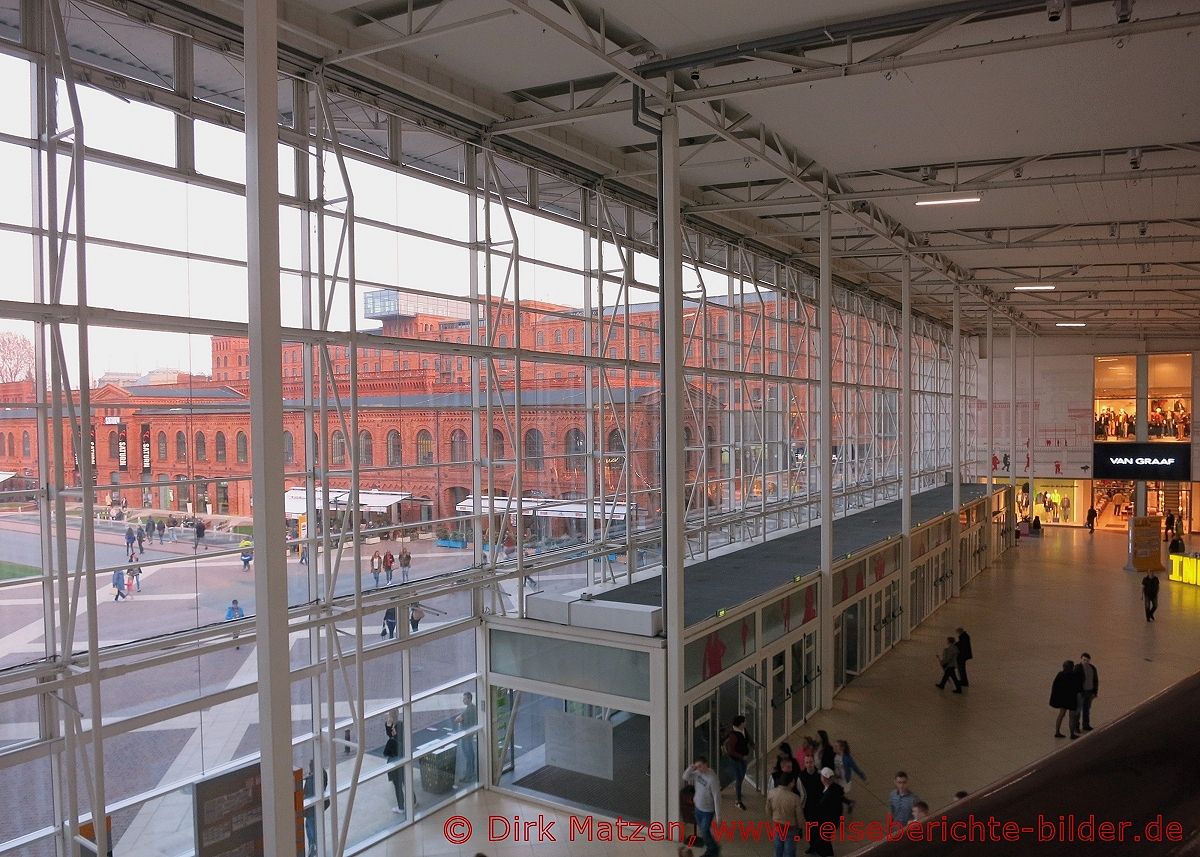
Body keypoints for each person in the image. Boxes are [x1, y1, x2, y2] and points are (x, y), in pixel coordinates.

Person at [682, 758, 722, 857]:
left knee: (704, 831)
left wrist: (718, 816)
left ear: (706, 764)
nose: (699, 768)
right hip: (698, 808)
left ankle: (713, 849)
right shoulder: (697, 773)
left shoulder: (712, 778)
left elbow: (717, 797)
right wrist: (691, 768)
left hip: (707, 811)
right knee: (703, 831)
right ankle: (712, 849)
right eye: (697, 766)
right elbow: (685, 777)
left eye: (700, 766)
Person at [765, 771, 804, 857]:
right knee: (789, 851)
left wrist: (774, 818)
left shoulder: (771, 793)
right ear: (790, 783)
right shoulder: (795, 798)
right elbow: (799, 816)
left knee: (777, 849)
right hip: (791, 828)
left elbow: (768, 810)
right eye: (793, 782)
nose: (794, 784)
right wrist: (800, 828)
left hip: (777, 826)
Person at [810, 767, 844, 857]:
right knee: (826, 840)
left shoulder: (827, 796)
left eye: (821, 776)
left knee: (824, 842)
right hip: (834, 821)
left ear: (824, 779)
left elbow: (820, 811)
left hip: (827, 823)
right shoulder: (836, 788)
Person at [723, 714, 752, 810]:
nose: (746, 723)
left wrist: (752, 744)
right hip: (736, 759)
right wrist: (741, 756)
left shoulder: (743, 730)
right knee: (739, 777)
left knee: (743, 773)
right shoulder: (733, 735)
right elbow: (731, 751)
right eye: (744, 721)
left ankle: (737, 787)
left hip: (743, 758)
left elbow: (747, 737)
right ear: (740, 724)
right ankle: (738, 801)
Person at [1050, 659, 1082, 738]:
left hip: (1062, 698)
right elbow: (1078, 688)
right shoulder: (1074, 676)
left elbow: (1055, 686)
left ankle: (1057, 732)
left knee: (1061, 714)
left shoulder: (1060, 674)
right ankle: (1072, 734)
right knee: (1071, 716)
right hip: (1071, 698)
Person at [303, 761, 328, 857]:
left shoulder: (312, 779)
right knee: (311, 827)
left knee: (311, 829)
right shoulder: (322, 774)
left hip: (311, 809)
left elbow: (308, 794)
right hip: (314, 808)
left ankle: (314, 847)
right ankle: (313, 847)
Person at [833, 740, 866, 814]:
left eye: (836, 746)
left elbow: (855, 768)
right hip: (837, 779)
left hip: (844, 781)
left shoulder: (847, 758)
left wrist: (863, 777)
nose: (834, 747)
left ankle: (848, 804)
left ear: (842, 748)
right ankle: (849, 803)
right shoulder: (835, 756)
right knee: (837, 795)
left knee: (837, 795)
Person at [453, 692, 478, 780]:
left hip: (466, 736)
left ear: (469, 699)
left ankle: (468, 775)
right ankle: (471, 772)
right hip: (469, 735)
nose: (463, 700)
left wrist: (459, 718)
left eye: (464, 699)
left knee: (468, 755)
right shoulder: (473, 708)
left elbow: (458, 719)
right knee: (470, 754)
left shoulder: (469, 710)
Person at [384, 726, 405, 815]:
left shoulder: (392, 741)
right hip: (403, 764)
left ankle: (401, 807)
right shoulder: (402, 740)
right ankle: (413, 800)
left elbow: (385, 753)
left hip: (395, 766)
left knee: (398, 787)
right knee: (406, 782)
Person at [1076, 652, 1100, 732]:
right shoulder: (1078, 668)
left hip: (1089, 692)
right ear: (1081, 659)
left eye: (1087, 660)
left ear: (1089, 661)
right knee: (1078, 710)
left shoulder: (1092, 668)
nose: (1085, 662)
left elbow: (1095, 680)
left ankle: (1086, 725)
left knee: (1086, 709)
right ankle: (1076, 726)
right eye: (1084, 660)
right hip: (1081, 693)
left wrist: (1095, 692)